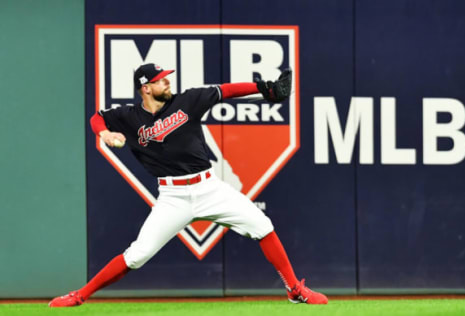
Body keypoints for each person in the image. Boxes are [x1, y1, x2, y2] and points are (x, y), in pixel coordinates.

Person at [49, 63, 328, 307]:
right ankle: (80, 296)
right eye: (160, 79)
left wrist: (263, 87)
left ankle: (294, 290)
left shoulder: (188, 100)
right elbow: (97, 117)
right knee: (137, 255)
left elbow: (225, 90)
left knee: (263, 226)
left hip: (210, 188)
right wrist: (105, 133)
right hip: (173, 197)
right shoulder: (129, 116)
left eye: (166, 76)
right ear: (145, 88)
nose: (167, 81)